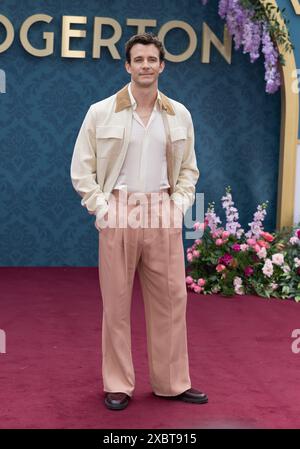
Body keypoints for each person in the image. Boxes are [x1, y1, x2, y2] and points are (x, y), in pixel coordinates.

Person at [70, 32, 208, 411]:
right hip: (119, 211)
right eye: (139, 60)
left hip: (162, 212)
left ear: (162, 65)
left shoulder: (179, 114)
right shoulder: (101, 112)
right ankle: (117, 384)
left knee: (171, 301)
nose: (146, 66)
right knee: (115, 304)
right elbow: (81, 170)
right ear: (127, 66)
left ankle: (172, 383)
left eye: (152, 59)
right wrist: (103, 210)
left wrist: (177, 207)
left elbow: (190, 171)